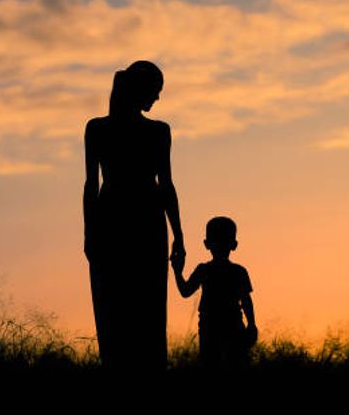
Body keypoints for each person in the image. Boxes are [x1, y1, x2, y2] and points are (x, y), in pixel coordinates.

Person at [83, 60, 186, 371]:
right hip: (123, 221)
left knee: (145, 307)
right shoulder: (99, 128)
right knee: (117, 305)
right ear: (141, 91)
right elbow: (91, 184)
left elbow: (166, 184)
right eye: (155, 91)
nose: (157, 99)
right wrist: (90, 233)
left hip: (138, 222)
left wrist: (179, 236)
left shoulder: (155, 131)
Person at [173, 216, 258, 371]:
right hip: (227, 325)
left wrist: (177, 273)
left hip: (214, 326)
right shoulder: (238, 271)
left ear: (206, 244)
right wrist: (251, 324)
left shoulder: (205, 270)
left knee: (213, 365)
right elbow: (246, 301)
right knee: (232, 365)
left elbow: (185, 291)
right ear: (234, 245)